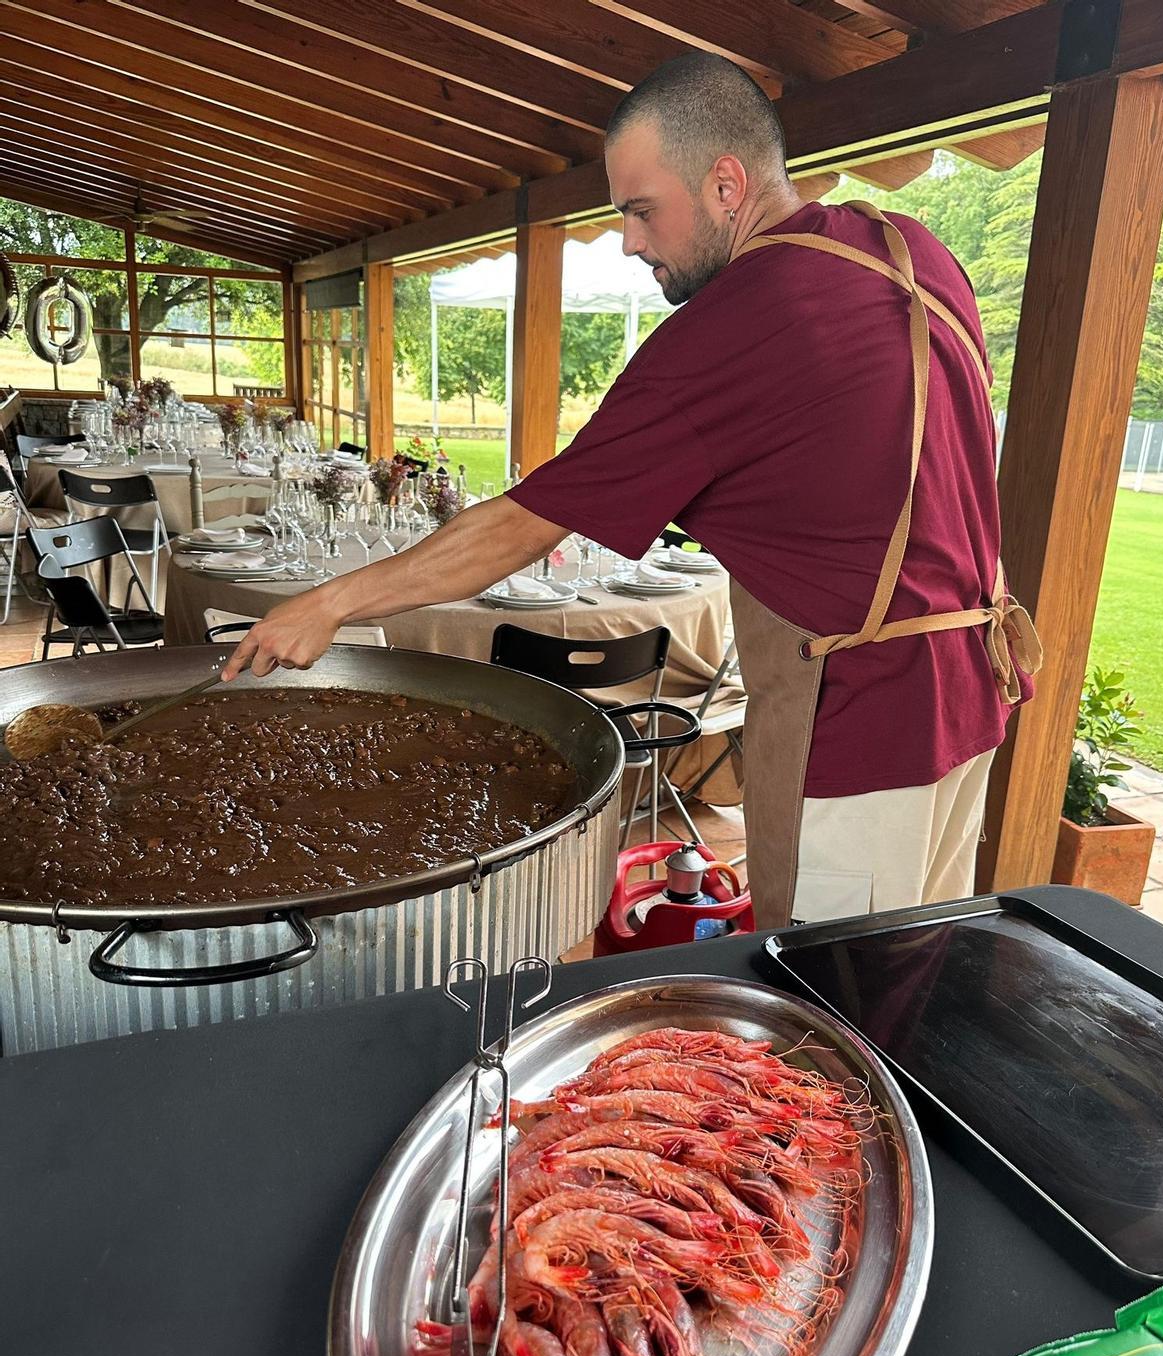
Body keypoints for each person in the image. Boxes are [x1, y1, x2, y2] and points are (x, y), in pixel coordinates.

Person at [223, 53, 1041, 928]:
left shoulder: (734, 327)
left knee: (835, 1002)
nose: (631, 242)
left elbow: (519, 526)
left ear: (728, 184)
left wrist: (330, 603)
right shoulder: (909, 247)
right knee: (926, 960)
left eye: (642, 210)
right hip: (973, 700)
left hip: (862, 730)